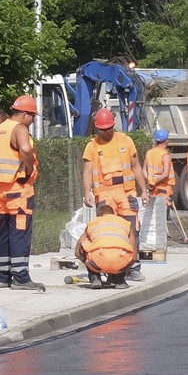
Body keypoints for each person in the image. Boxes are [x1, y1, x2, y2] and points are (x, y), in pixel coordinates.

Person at [0, 96, 44, 290]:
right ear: (24, 114)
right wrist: (28, 167)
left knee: (1, 233)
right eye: (32, 116)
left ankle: (2, 276)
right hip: (18, 189)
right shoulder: (19, 129)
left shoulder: (0, 128)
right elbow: (25, 149)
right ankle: (20, 277)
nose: (33, 120)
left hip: (0, 190)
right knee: (19, 233)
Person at [81, 108, 149, 281]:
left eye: (109, 128)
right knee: (107, 232)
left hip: (126, 193)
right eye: (102, 129)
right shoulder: (92, 146)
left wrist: (144, 191)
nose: (106, 132)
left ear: (113, 126)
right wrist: (87, 192)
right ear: (97, 129)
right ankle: (110, 268)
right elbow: (87, 171)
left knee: (132, 230)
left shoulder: (125, 141)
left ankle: (132, 266)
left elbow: (136, 167)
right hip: (104, 195)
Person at [74, 202, 138, 290]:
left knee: (86, 244)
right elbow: (134, 256)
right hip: (121, 262)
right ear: (113, 214)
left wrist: (87, 263)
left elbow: (77, 251)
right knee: (124, 248)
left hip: (97, 262)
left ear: (98, 215)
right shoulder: (126, 223)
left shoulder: (93, 223)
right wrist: (123, 269)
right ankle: (119, 279)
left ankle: (94, 277)